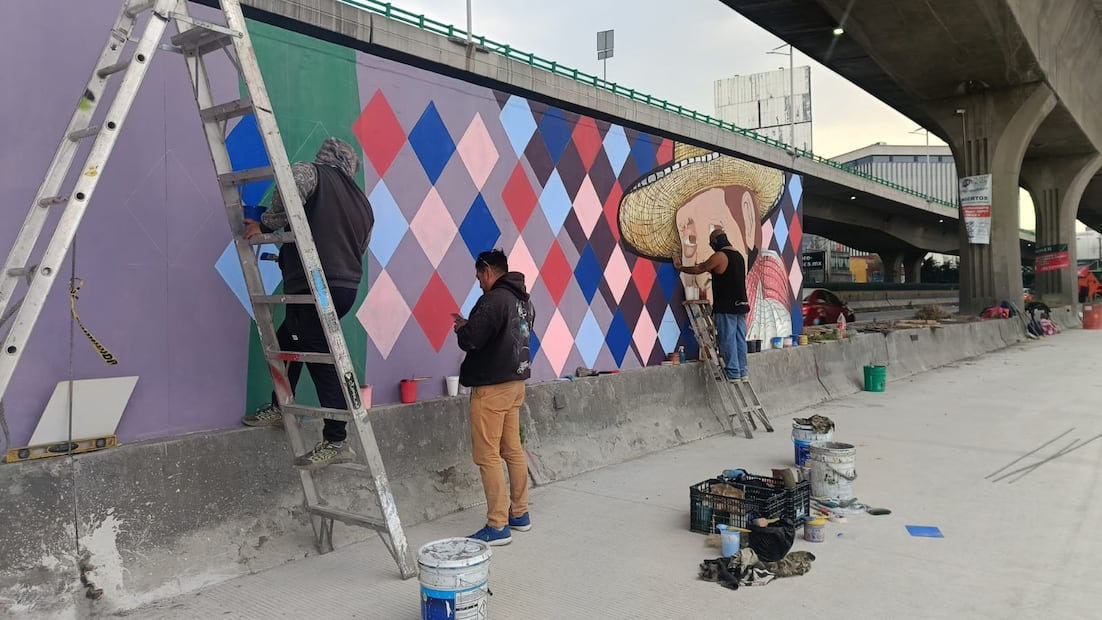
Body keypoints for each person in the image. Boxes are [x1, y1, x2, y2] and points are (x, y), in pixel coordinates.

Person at [240, 137, 374, 471]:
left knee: (316, 351)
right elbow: (362, 245)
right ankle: (280, 404)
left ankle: (336, 438)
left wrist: (265, 225)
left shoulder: (310, 172)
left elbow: (288, 196)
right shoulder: (363, 203)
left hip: (315, 282)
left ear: (325, 157)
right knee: (289, 339)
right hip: (345, 287)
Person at [451, 250, 535, 546]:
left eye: (478, 277)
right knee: (512, 449)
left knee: (487, 455)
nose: (479, 284)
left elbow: (472, 339)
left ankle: (498, 525)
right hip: (516, 384)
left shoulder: (493, 300)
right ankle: (519, 514)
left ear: (487, 270)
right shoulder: (524, 300)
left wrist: (462, 327)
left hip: (491, 387)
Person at [673, 228, 750, 381]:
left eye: (711, 243)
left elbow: (700, 268)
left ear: (716, 242)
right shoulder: (739, 256)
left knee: (727, 338)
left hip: (726, 306)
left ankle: (733, 373)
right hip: (741, 304)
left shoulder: (720, 256)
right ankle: (742, 372)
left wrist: (680, 267)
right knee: (739, 339)